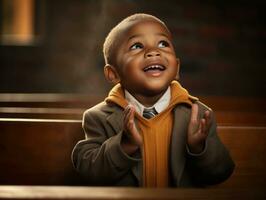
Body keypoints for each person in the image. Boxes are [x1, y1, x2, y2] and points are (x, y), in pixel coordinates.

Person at [72, 13, 234, 187]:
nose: (153, 51)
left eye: (163, 44)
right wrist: (124, 145)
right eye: (136, 46)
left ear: (177, 68)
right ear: (113, 73)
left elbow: (221, 172)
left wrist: (199, 148)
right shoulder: (98, 118)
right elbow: (88, 171)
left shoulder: (198, 114)